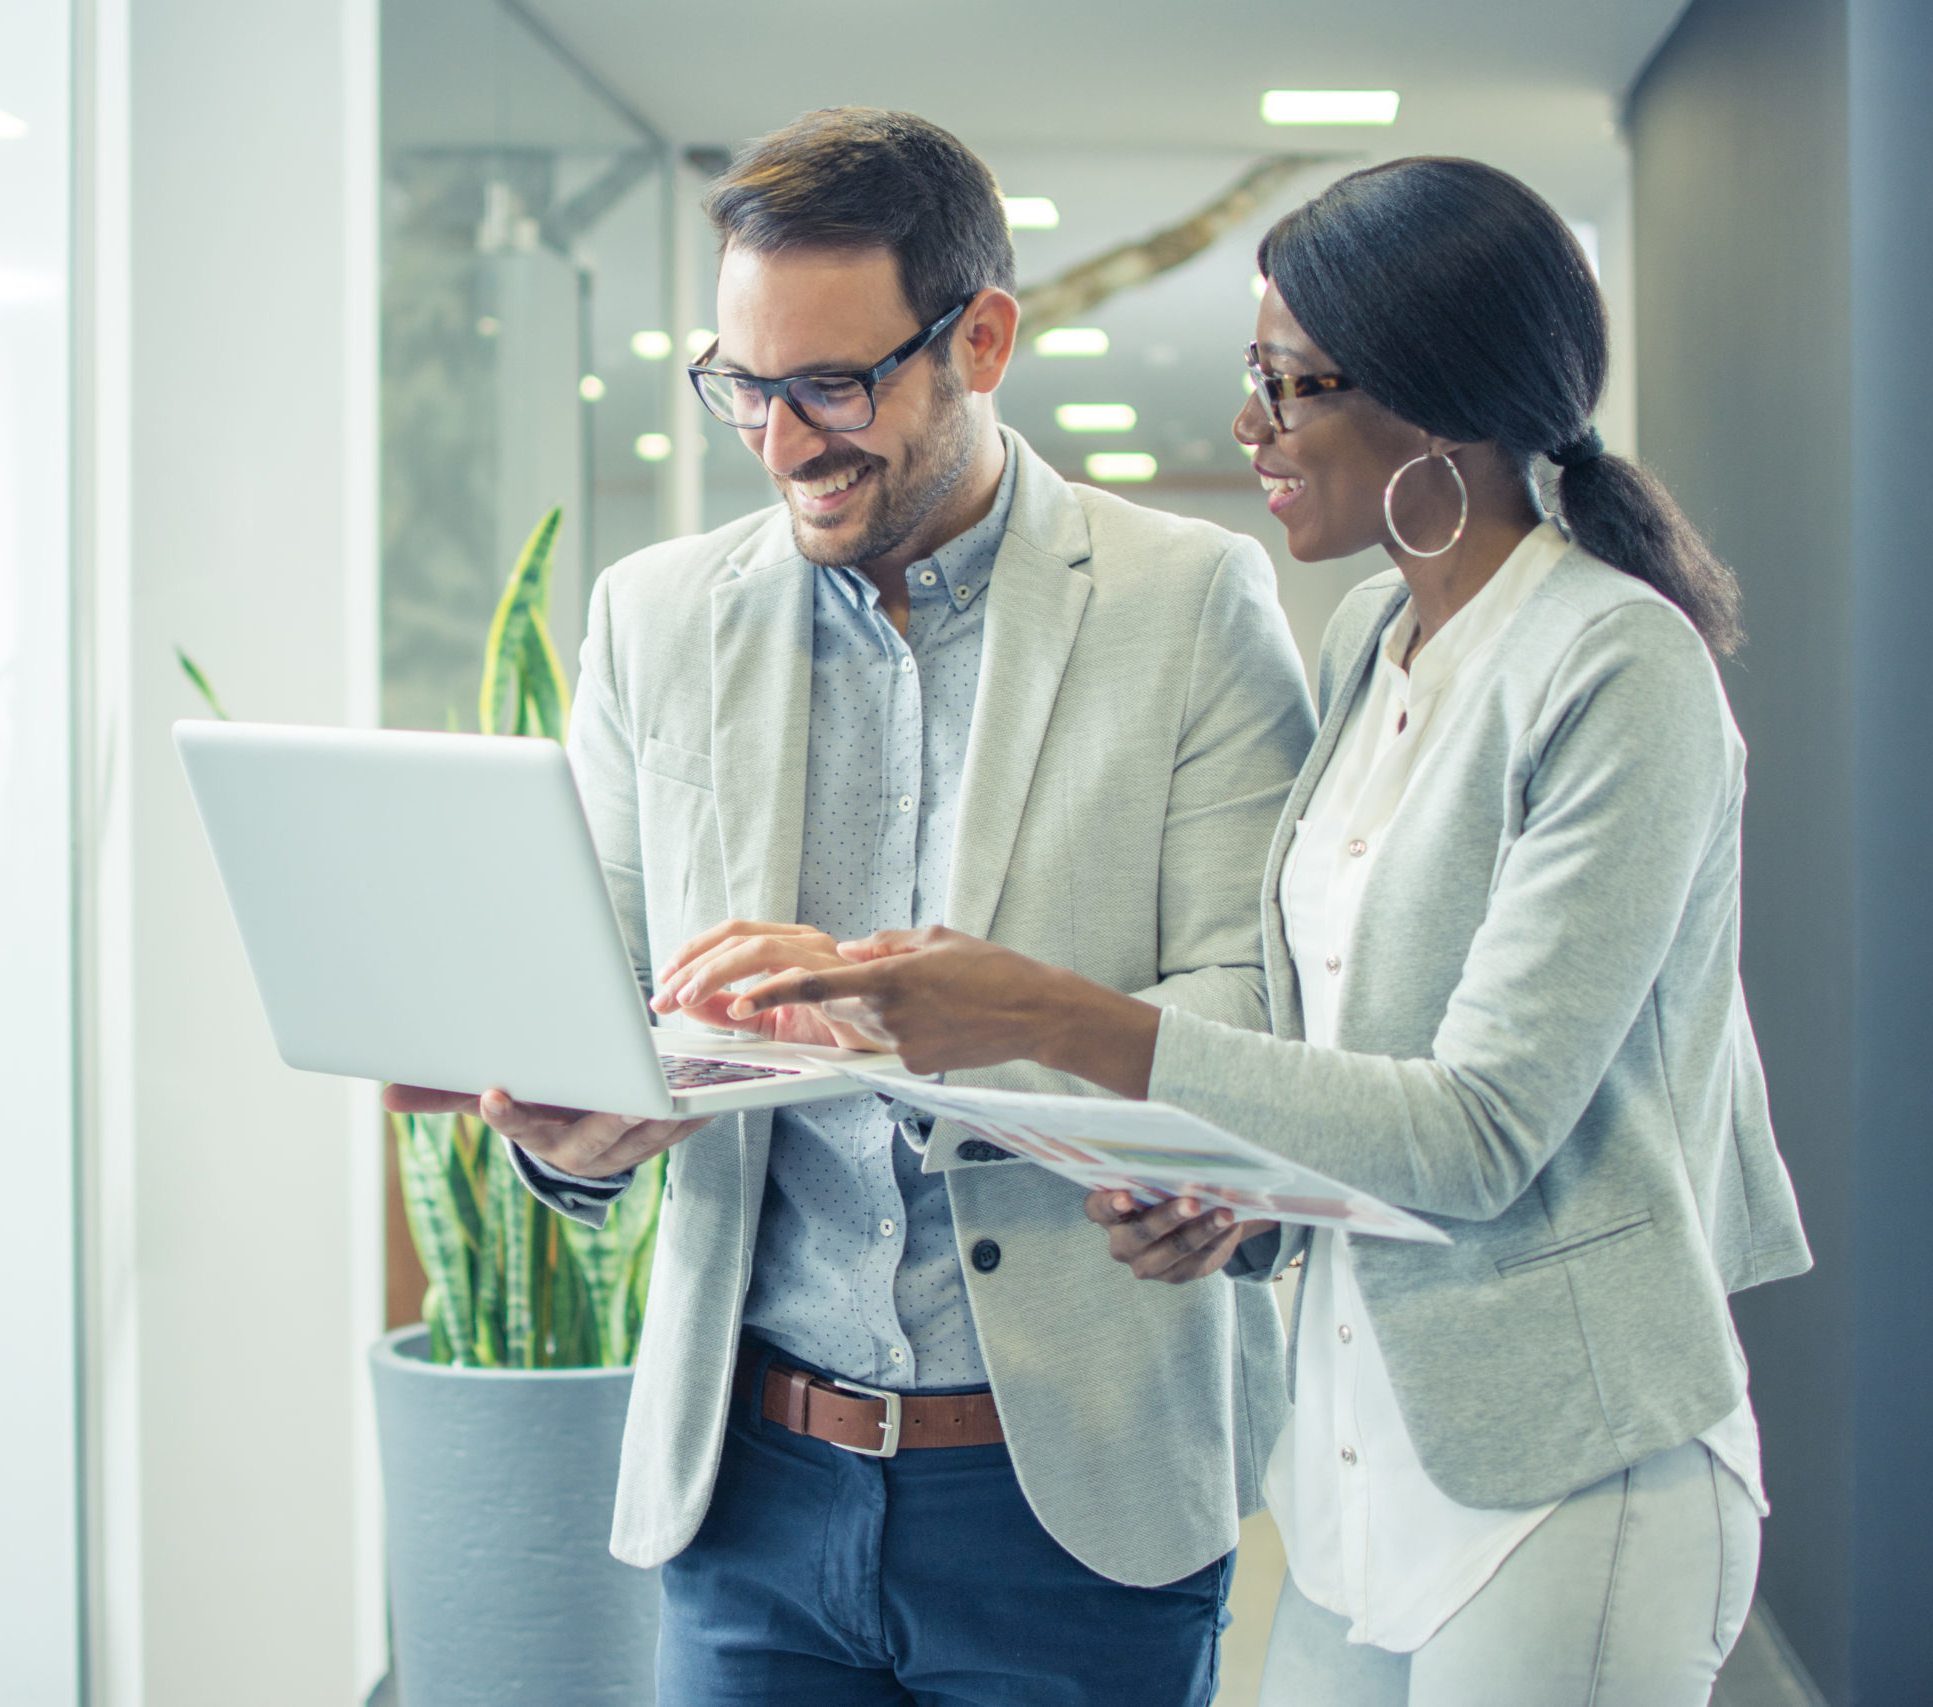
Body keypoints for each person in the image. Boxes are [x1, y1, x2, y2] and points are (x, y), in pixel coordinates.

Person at [716, 157, 1812, 1706]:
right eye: (1254, 379)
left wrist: (1039, 1010)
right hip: (1354, 1473)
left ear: (1442, 402)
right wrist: (1246, 1209)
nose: (1252, 431)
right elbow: (1341, 1063)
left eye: (1292, 387)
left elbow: (1485, 1132)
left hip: (1574, 1464)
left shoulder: (1617, 670)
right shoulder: (1377, 637)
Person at [386, 108, 1318, 1704]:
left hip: (1070, 1501)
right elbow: (602, 989)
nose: (782, 440)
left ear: (984, 336)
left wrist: (933, 1010)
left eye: (833, 383)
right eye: (744, 386)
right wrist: (572, 1137)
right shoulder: (654, 618)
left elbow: (1252, 1009)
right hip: (748, 1489)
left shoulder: (1189, 601)